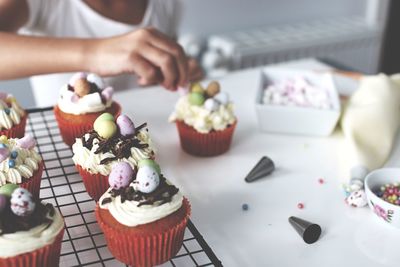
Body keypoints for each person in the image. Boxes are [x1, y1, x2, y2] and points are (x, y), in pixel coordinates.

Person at [0, 0, 203, 106]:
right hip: (65, 154)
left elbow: (160, 59)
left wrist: (175, 69)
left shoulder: (166, 4)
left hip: (146, 138)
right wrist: (95, 53)